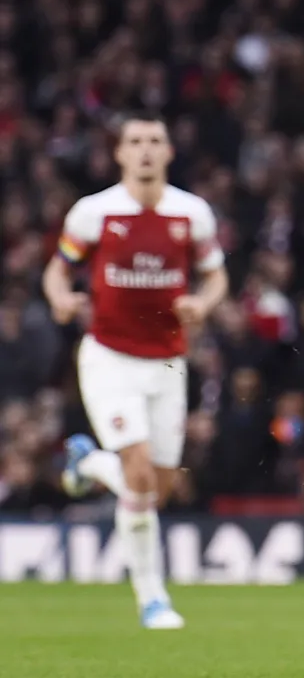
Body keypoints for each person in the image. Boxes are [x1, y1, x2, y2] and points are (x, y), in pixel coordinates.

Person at [43, 112, 228, 629]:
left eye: (155, 141)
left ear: (169, 152)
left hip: (167, 361)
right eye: (135, 142)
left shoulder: (191, 214)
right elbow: (58, 267)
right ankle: (153, 599)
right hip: (109, 355)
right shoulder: (94, 213)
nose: (145, 150)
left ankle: (88, 466)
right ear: (119, 153)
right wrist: (61, 298)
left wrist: (203, 304)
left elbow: (216, 278)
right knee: (140, 472)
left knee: (155, 489)